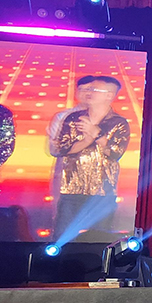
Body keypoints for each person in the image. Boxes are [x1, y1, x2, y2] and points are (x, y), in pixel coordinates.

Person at [49, 76, 130, 238]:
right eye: (89, 89)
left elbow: (115, 153)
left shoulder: (119, 123)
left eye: (94, 90)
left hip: (103, 192)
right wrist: (86, 140)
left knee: (98, 240)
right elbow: (61, 149)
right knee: (61, 238)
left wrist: (97, 134)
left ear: (109, 95)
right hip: (72, 189)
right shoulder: (74, 118)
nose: (89, 93)